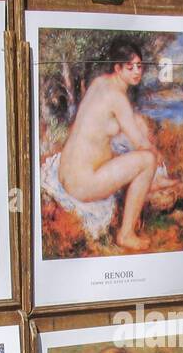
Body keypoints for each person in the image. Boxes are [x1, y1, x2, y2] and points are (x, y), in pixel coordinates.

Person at [45, 39, 176, 250]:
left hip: (67, 172)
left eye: (139, 67)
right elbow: (141, 144)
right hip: (83, 183)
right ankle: (126, 234)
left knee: (139, 124)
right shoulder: (118, 98)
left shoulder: (100, 83)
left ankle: (153, 183)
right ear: (118, 68)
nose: (136, 72)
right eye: (130, 67)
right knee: (148, 160)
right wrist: (157, 156)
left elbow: (110, 124)